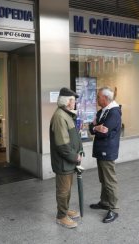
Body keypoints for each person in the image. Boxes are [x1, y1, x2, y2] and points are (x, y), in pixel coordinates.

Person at [49, 87, 84, 229]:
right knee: (63, 190)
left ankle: (65, 209)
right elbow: (62, 145)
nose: (74, 103)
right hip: (64, 162)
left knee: (67, 188)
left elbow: (73, 137)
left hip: (68, 161)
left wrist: (79, 150)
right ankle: (61, 216)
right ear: (67, 101)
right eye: (73, 100)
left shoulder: (66, 114)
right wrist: (75, 157)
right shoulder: (59, 116)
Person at [89, 86, 122, 223]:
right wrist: (96, 127)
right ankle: (104, 202)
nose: (96, 99)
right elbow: (91, 128)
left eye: (98, 97)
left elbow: (105, 132)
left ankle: (114, 209)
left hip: (107, 150)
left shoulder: (114, 113)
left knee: (110, 181)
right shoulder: (103, 111)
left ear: (106, 98)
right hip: (101, 150)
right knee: (103, 179)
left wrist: (96, 127)